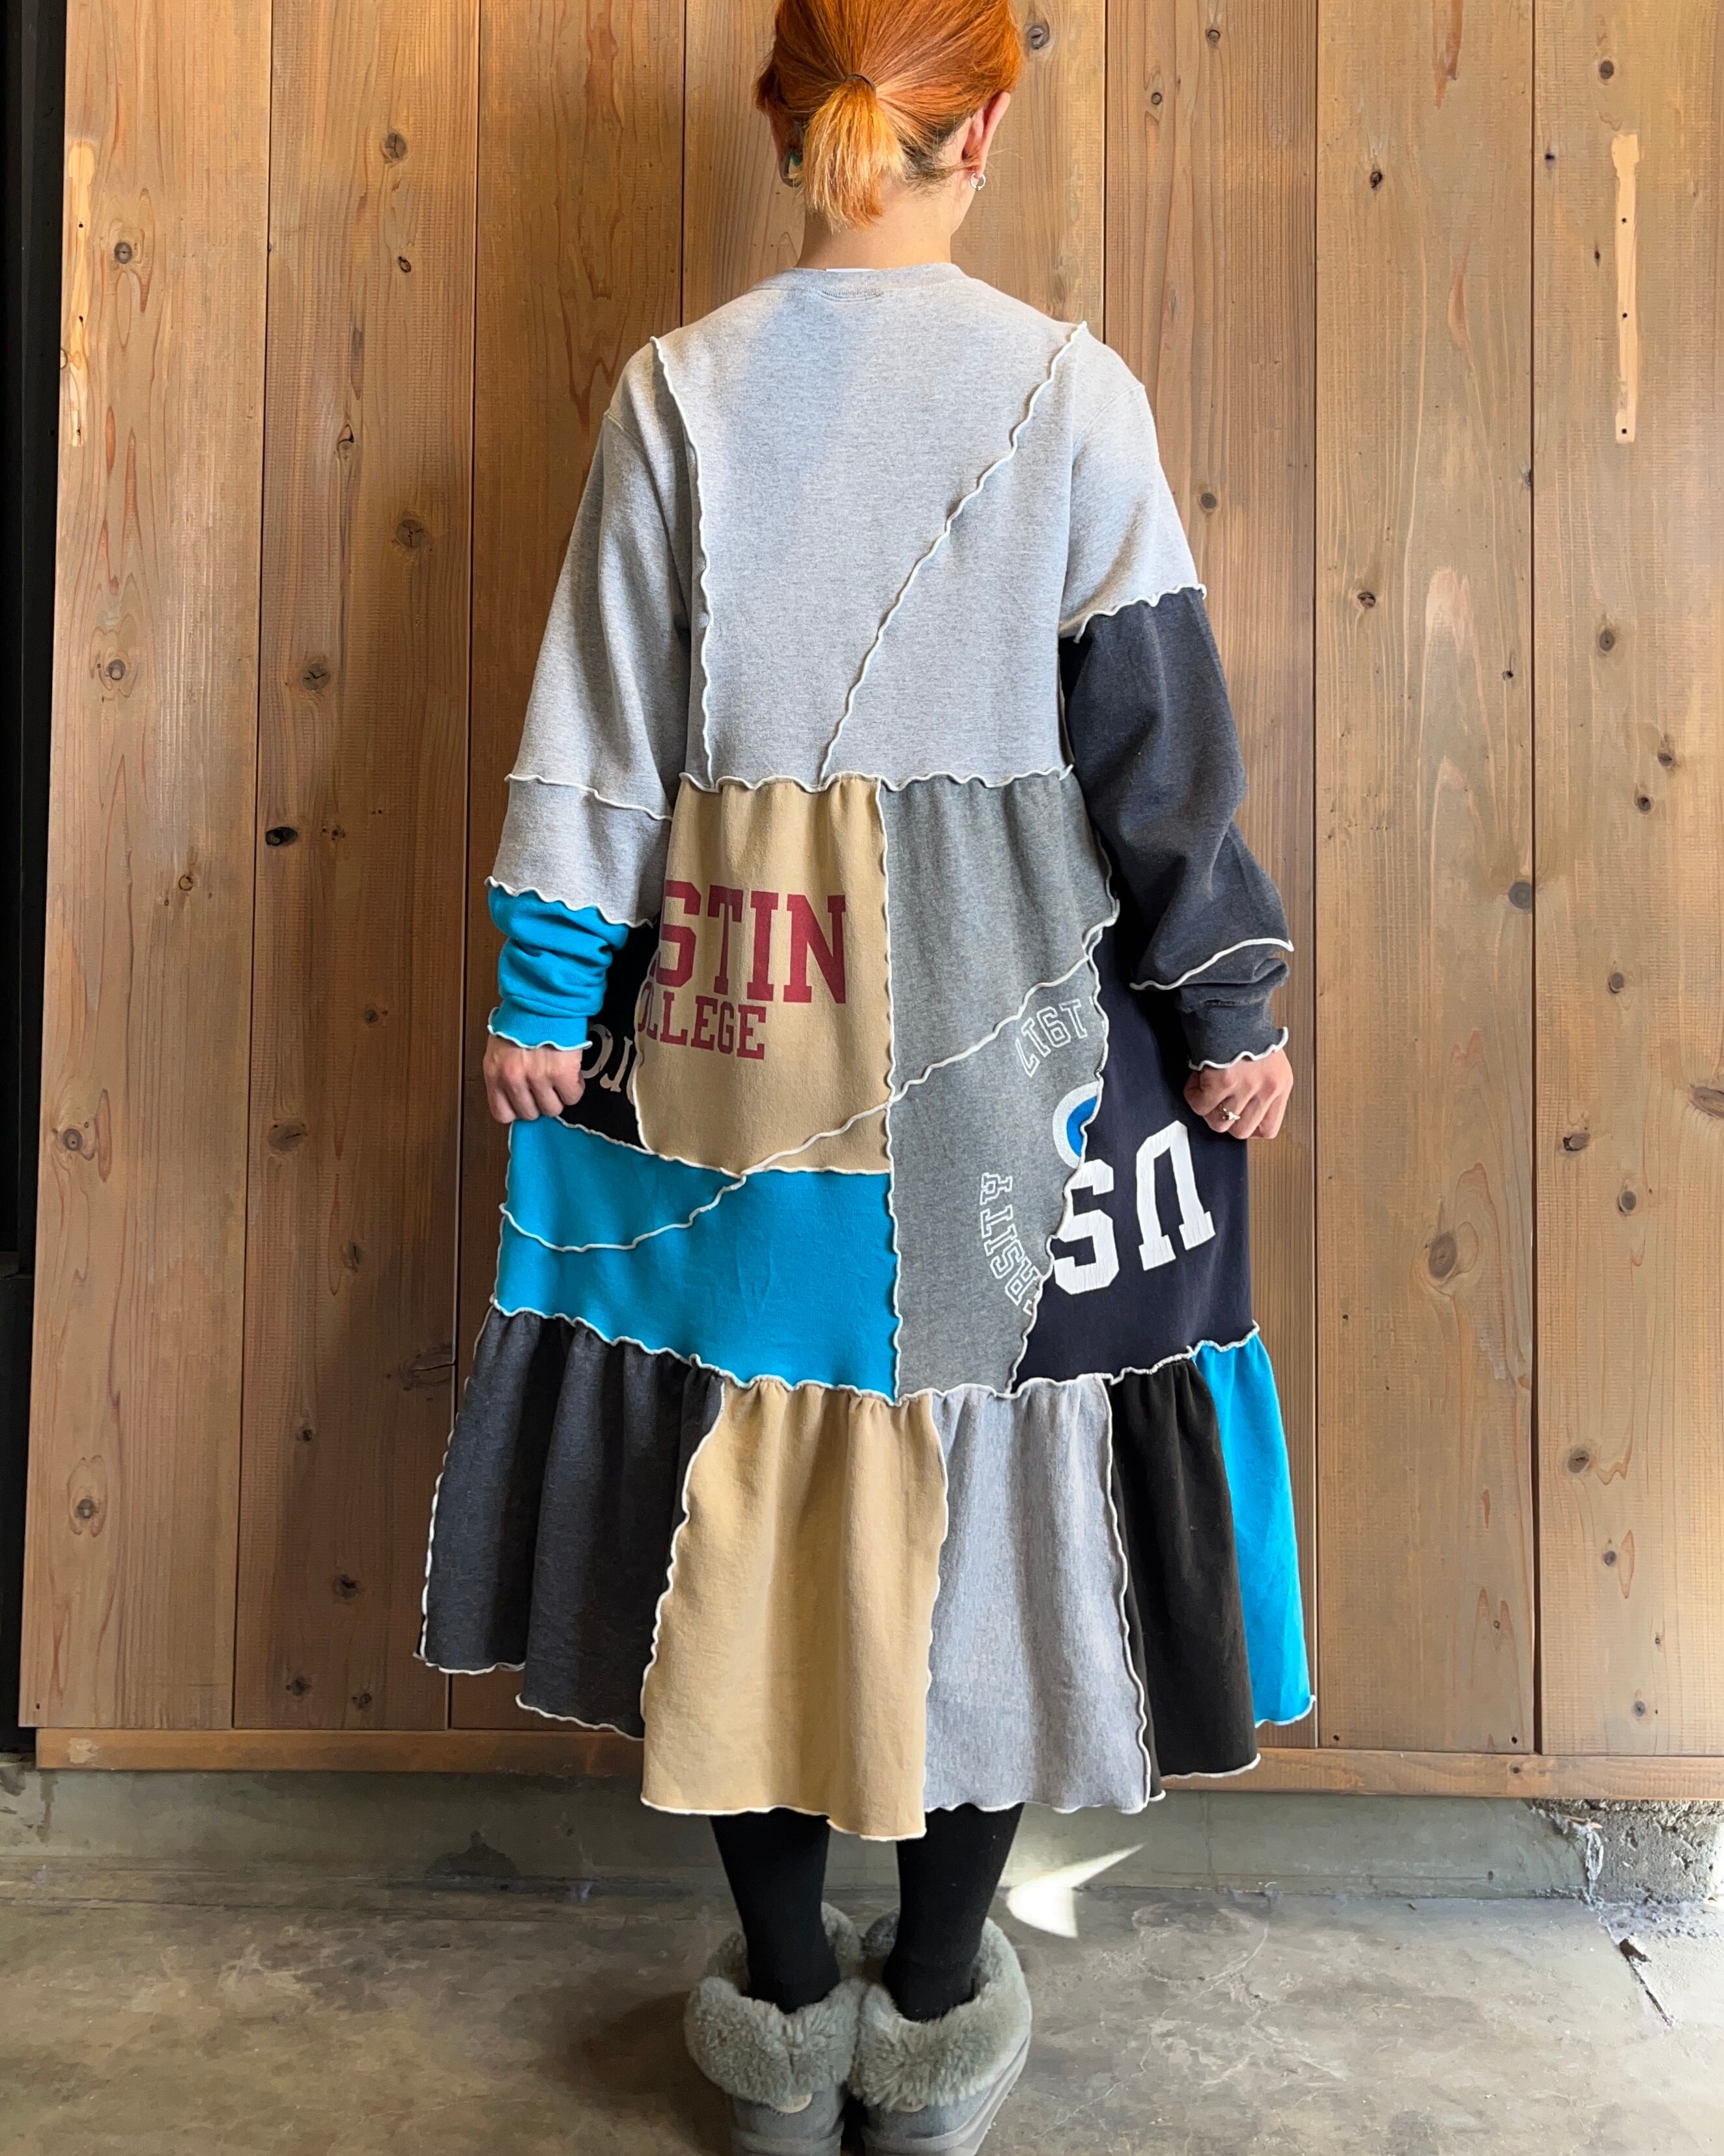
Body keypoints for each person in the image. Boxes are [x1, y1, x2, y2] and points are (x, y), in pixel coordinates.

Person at [418, 1, 1312, 2148]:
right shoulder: (1070, 391)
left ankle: (787, 2007)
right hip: (1019, 1053)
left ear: (786, 120)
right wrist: (1228, 1012)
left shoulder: (680, 392)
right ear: (982, 125)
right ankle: (931, 2011)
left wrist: (547, 991)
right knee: (993, 1495)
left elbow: (595, 732)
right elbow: (1158, 755)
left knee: (751, 1484)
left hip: (744, 1026)